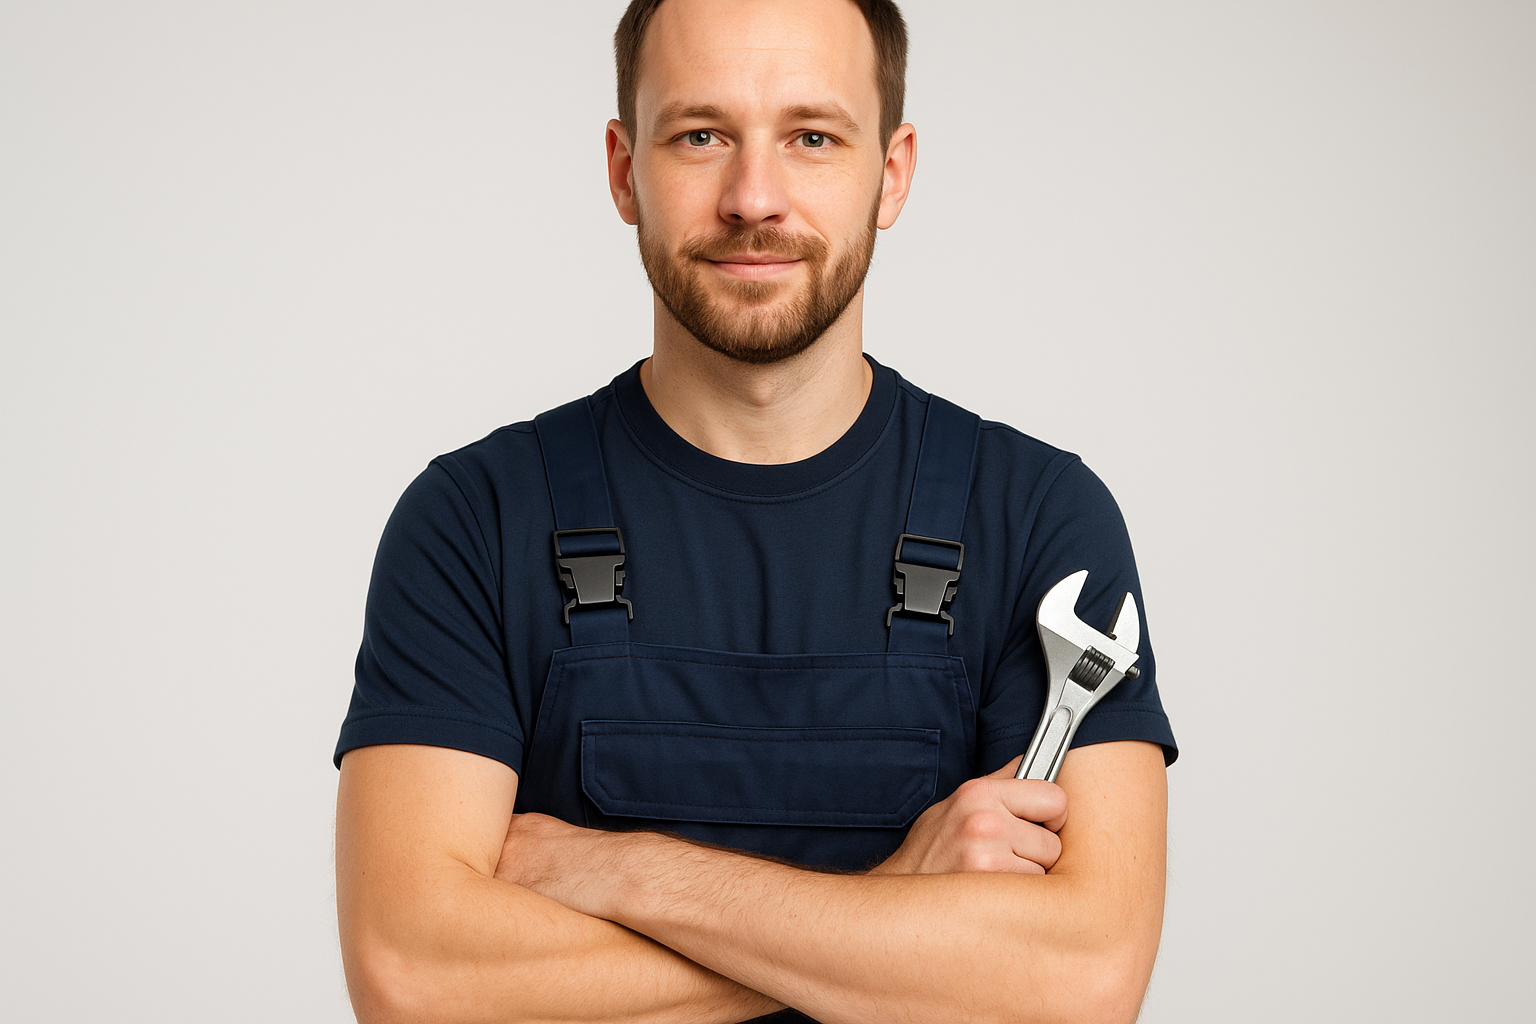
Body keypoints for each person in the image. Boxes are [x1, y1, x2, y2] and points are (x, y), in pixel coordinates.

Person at [333, 1, 1178, 1021]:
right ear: (621, 169)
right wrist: (891, 915)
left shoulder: (1039, 517)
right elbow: (415, 977)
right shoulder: (472, 521)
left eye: (812, 138)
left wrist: (628, 874)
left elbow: (1077, 984)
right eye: (701, 136)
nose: (754, 198)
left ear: (893, 171)